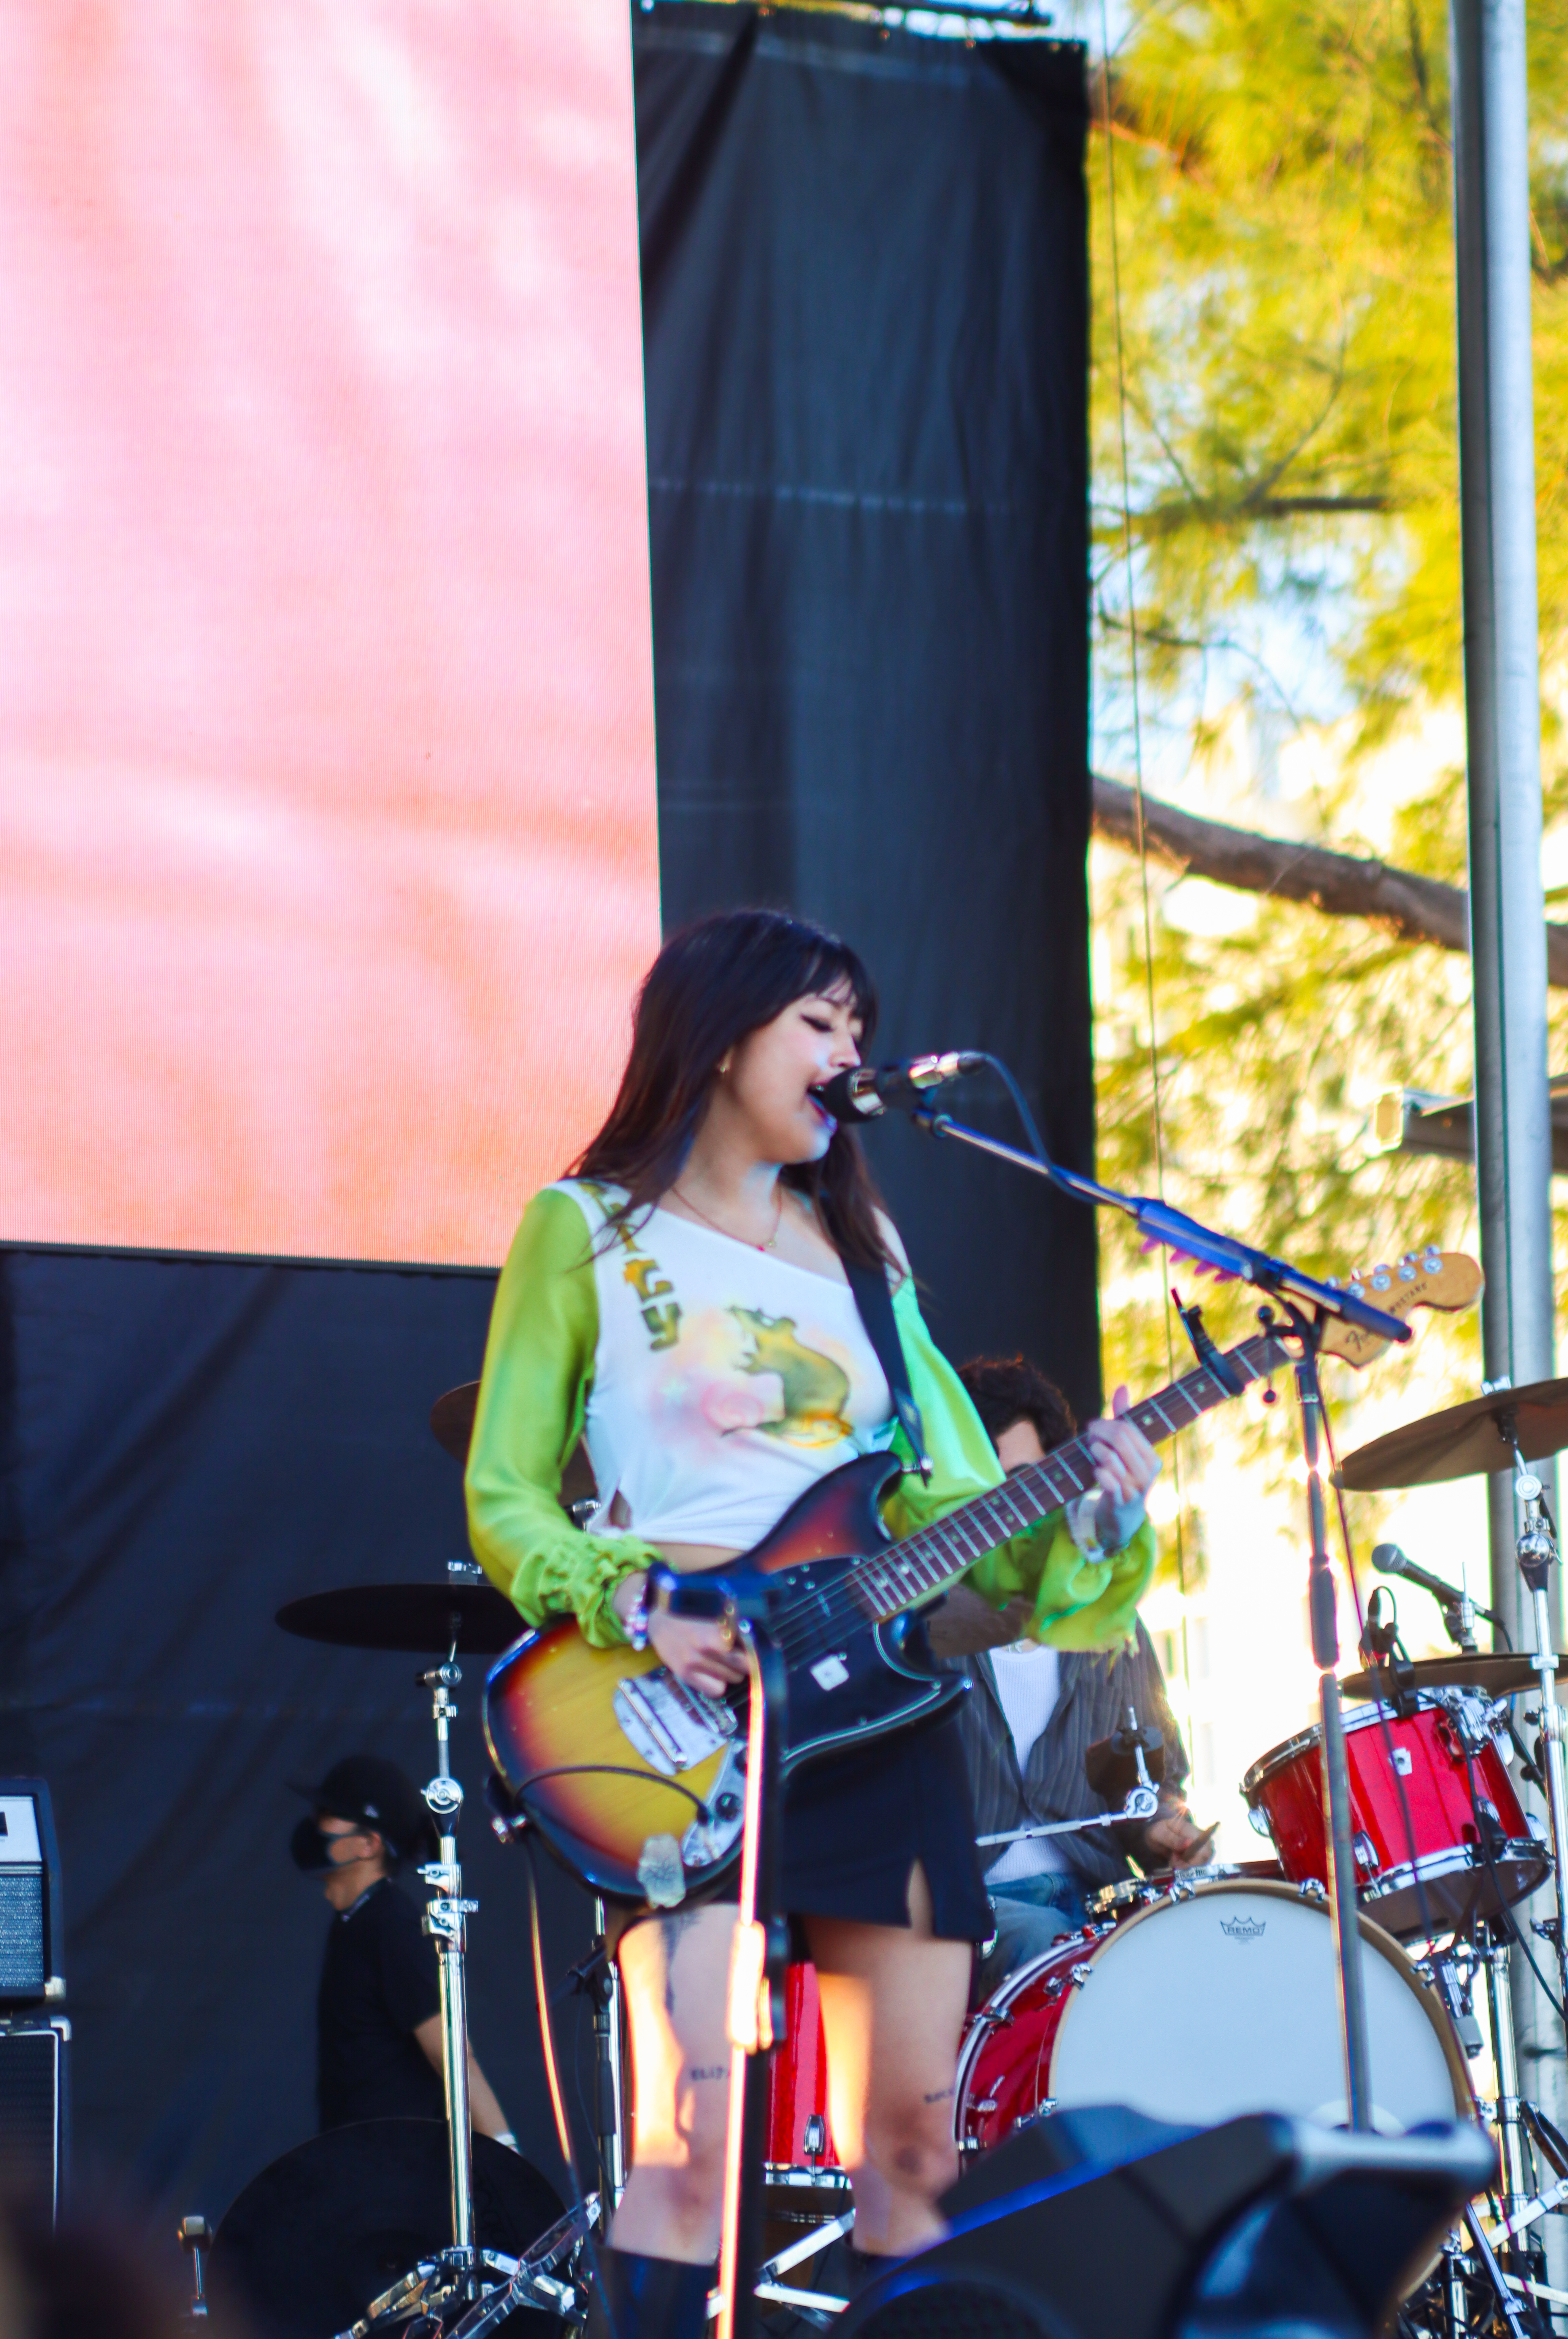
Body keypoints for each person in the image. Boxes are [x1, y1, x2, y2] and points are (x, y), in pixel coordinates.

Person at [464, 908, 1160, 2339]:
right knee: (686, 2159)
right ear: (721, 1036)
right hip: (680, 1720)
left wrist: (1085, 1513)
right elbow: (505, 1494)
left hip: (880, 1722)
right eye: (819, 1023)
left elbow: (960, 1501)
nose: (850, 1054)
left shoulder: (863, 1248)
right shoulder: (582, 1228)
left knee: (912, 2161)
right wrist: (635, 1600)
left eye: (859, 1027)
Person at [927, 1356, 1214, 1998]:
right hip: (971, 1918)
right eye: (977, 1487)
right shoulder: (916, 1630)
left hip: (1097, 1905)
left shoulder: (1112, 1620)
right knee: (1051, 1952)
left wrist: (1166, 1825)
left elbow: (1151, 1784)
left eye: (1022, 1486)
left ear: (1062, 1492)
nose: (1000, 1510)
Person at [291, 1754, 514, 2143]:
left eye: (329, 1813)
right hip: (353, 2170)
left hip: (395, 2178)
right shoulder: (352, 1921)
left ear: (367, 1844)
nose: (316, 1823)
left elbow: (452, 2056)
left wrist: (508, 2159)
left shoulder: (392, 1925)